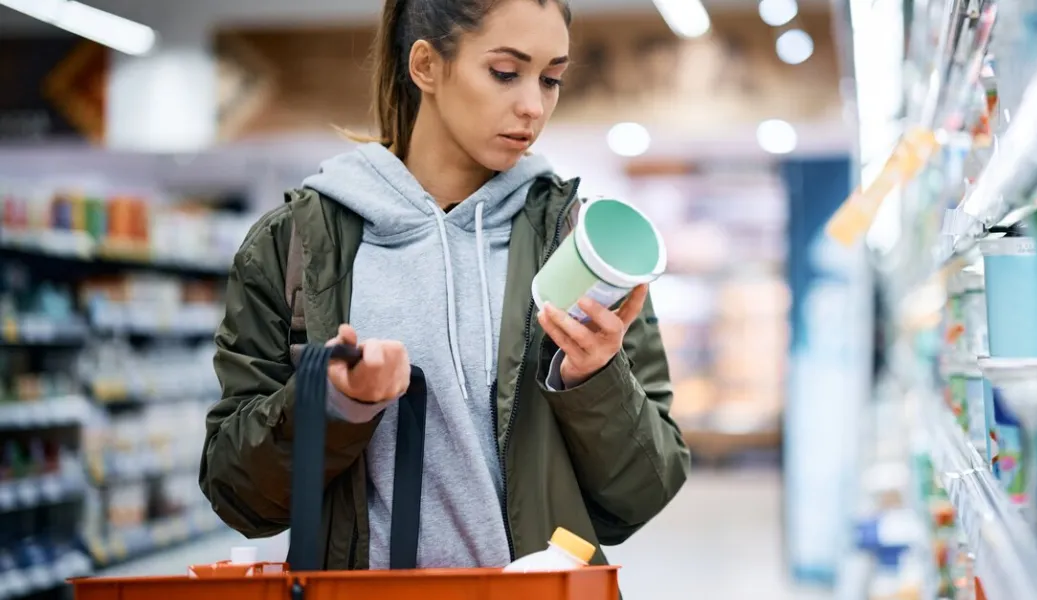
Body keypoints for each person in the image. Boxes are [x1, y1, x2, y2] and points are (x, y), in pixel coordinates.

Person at [200, 0, 691, 573]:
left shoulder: (578, 246)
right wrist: (333, 403)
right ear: (427, 66)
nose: (533, 105)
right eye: (505, 73)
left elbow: (642, 495)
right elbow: (239, 495)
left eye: (552, 78)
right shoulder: (293, 246)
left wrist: (594, 381)